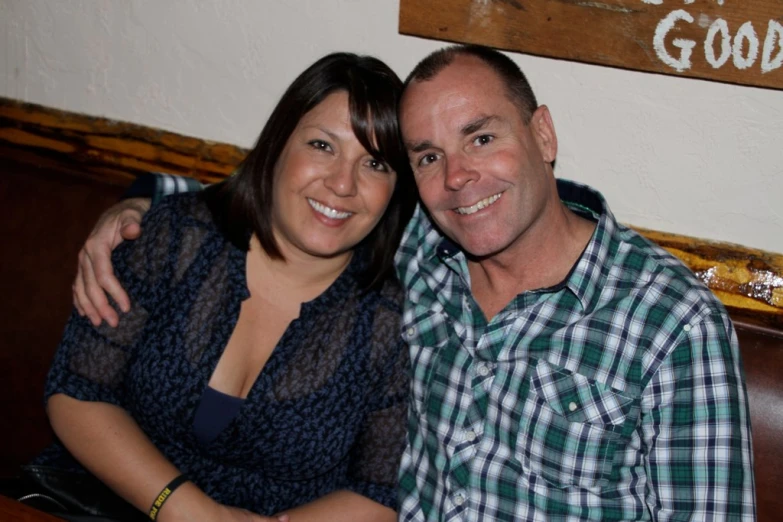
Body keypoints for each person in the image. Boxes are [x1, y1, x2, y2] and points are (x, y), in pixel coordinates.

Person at [74, 45, 756, 521]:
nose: (457, 177)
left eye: (481, 138)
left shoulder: (670, 323)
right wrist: (139, 202)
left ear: (542, 133)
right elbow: (288, 203)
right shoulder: (422, 249)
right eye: (428, 156)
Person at [37, 52, 417, 522]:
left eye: (375, 163)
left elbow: (379, 491)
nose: (342, 183)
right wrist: (188, 511)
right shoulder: (173, 240)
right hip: (102, 506)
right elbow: (77, 391)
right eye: (322, 145)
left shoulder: (394, 324)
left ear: (397, 189)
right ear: (278, 144)